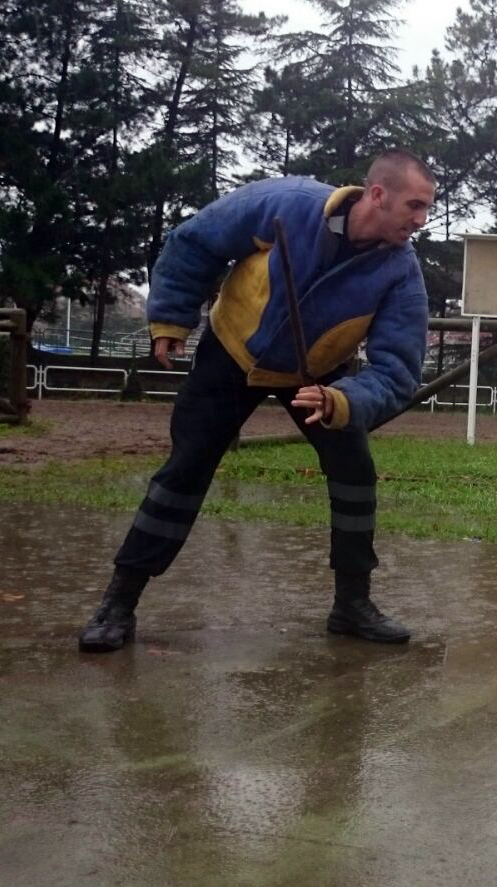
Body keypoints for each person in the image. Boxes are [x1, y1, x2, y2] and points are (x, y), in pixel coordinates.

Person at [78, 149, 435, 653]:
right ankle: (118, 603)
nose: (421, 221)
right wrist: (172, 315)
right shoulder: (286, 201)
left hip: (315, 378)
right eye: (415, 206)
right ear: (378, 194)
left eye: (426, 209)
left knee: (355, 471)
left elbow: (398, 370)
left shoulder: (402, 274)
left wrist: (342, 400)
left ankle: (352, 605)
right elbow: (196, 240)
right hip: (232, 351)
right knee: (186, 468)